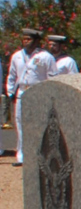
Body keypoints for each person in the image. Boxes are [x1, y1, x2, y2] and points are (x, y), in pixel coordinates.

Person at [5, 29, 56, 165]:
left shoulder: (46, 57)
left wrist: (49, 94)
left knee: (39, 123)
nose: (26, 41)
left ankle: (39, 154)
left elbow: (52, 76)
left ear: (37, 41)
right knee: (20, 124)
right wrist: (10, 92)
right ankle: (21, 155)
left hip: (38, 92)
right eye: (24, 39)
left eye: (29, 39)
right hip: (21, 92)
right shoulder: (17, 56)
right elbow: (12, 75)